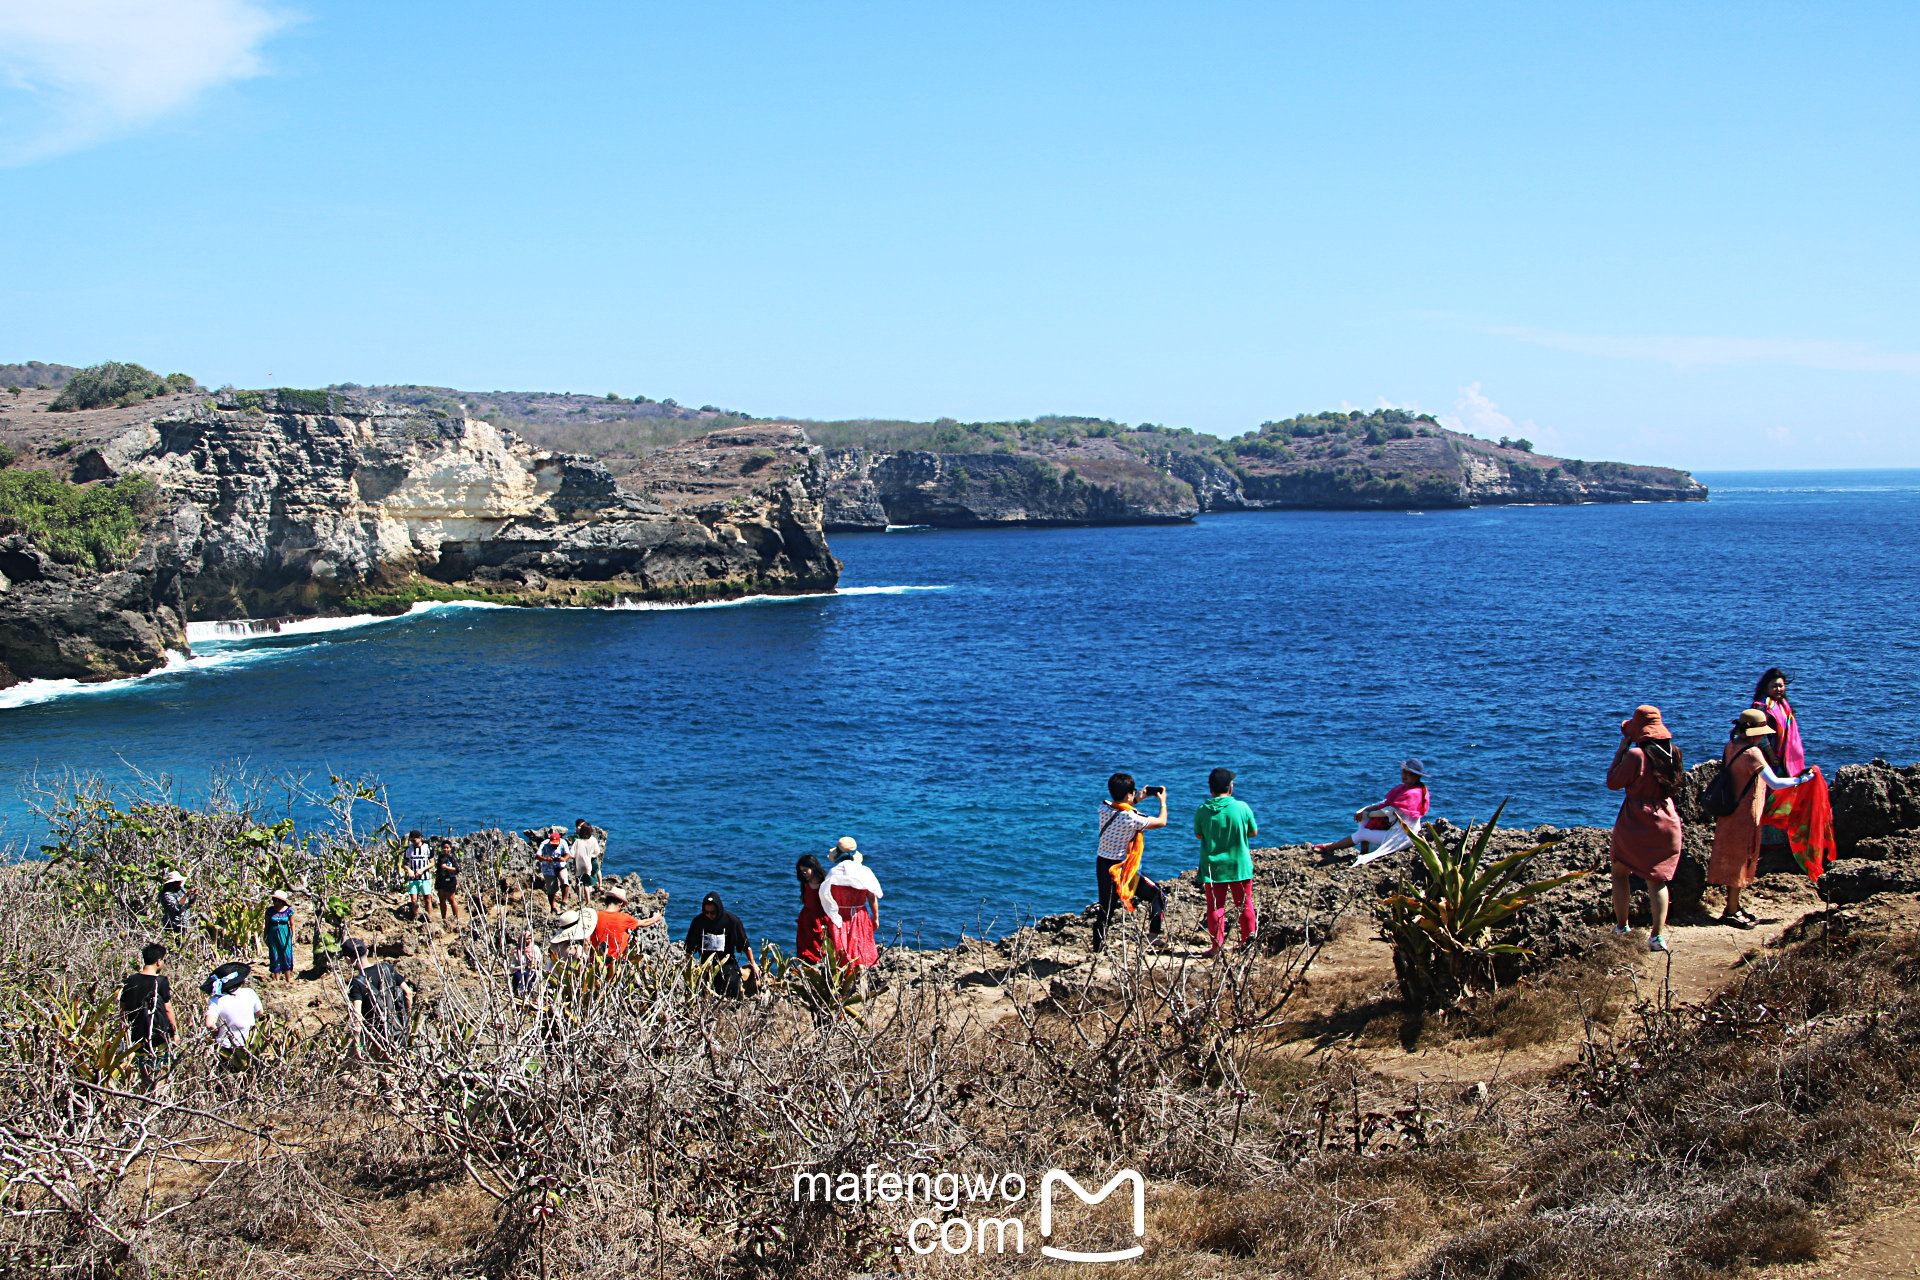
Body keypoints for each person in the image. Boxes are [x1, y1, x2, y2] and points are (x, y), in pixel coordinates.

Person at [1708, 708, 1816, 929]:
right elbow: (1775, 783)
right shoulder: (1753, 754)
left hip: (1730, 810)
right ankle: (1731, 910)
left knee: (1734, 857)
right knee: (1741, 859)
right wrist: (1801, 780)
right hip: (1746, 813)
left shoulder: (1731, 746)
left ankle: (1734, 906)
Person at [1607, 706, 1686, 952]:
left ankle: (1622, 927)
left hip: (1636, 820)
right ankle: (1657, 936)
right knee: (1658, 880)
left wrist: (1621, 751)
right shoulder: (1674, 753)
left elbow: (1613, 782)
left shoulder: (1636, 756)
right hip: (1667, 820)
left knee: (1620, 871)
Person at [1093, 773, 1169, 953]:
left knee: (1106, 910)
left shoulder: (1104, 808)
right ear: (1128, 795)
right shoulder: (1131, 817)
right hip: (1122, 869)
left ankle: (1097, 950)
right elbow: (1161, 822)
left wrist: (1137, 799)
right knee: (1158, 895)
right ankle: (1153, 936)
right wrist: (1163, 802)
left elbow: (1121, 808)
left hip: (1103, 864)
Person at [1312, 760, 1433, 864]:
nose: (1405, 775)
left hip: (1402, 836)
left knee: (1362, 834)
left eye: (1409, 773)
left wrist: (1367, 814)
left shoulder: (1414, 793)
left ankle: (1330, 847)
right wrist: (1366, 809)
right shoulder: (1404, 788)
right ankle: (1364, 850)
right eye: (1404, 771)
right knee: (1364, 822)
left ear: (1417, 777)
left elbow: (1389, 811)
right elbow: (1385, 803)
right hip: (1395, 829)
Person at [1194, 767, 1259, 958]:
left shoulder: (1203, 810)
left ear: (1211, 789)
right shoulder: (1242, 807)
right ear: (1231, 788)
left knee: (1215, 907)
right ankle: (1248, 942)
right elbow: (1253, 832)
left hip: (1213, 867)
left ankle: (1217, 947)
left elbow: (1199, 835)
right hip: (1239, 865)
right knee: (1245, 904)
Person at [341, 938, 413, 1057]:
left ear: (348, 959)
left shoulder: (357, 983)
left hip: (378, 1039)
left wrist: (357, 1045)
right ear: (367, 952)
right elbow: (408, 993)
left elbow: (357, 1016)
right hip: (400, 1031)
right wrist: (407, 1022)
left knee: (347, 1070)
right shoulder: (386, 968)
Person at [120, 942, 177, 1091]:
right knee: (161, 1070)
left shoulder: (130, 980)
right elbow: (168, 1008)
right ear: (159, 961)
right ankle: (158, 1098)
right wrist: (175, 1032)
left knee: (143, 1069)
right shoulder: (161, 981)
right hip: (159, 1034)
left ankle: (147, 1095)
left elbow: (123, 1008)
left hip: (137, 1034)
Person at [820, 838, 884, 968]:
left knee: (841, 952)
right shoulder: (865, 872)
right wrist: (876, 918)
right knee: (861, 950)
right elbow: (872, 897)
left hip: (839, 917)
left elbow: (826, 896)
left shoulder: (833, 873)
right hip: (860, 915)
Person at [684, 892, 759, 997]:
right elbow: (689, 947)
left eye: (713, 913)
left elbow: (745, 945)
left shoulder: (732, 921)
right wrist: (687, 969)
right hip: (706, 966)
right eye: (706, 912)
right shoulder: (698, 922)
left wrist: (753, 963)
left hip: (727, 965)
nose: (709, 915)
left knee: (732, 985)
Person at [203, 963, 264, 1070]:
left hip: (226, 1048)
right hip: (250, 1045)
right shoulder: (249, 993)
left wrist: (216, 1031)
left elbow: (209, 1024)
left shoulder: (216, 1000)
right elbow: (260, 1013)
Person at [1751, 668, 1806, 776]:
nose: (1778, 689)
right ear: (1766, 688)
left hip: (1783, 756)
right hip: (1768, 756)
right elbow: (1760, 733)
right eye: (1774, 686)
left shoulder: (1784, 705)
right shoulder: (1763, 706)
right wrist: (1771, 756)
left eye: (1781, 686)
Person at [589, 886, 663, 961]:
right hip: (617, 964)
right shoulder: (624, 918)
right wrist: (655, 918)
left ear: (607, 901)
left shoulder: (596, 916)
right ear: (620, 903)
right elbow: (643, 923)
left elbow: (587, 941)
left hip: (596, 964)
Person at [794, 855, 832, 963]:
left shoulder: (824, 883)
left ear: (813, 867)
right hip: (807, 919)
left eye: (805, 870)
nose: (803, 874)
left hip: (820, 920)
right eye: (801, 871)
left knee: (819, 947)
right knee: (806, 947)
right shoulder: (805, 883)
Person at [398, 831, 434, 922]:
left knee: (427, 898)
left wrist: (422, 870)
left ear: (420, 838)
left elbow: (432, 863)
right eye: (412, 841)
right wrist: (409, 870)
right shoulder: (409, 850)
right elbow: (404, 864)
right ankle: (415, 916)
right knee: (414, 899)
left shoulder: (427, 848)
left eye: (415, 840)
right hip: (413, 878)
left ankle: (429, 917)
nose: (414, 842)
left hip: (425, 878)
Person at [532, 828, 570, 912]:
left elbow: (568, 854)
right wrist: (546, 859)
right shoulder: (544, 844)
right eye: (553, 844)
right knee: (551, 889)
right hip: (548, 868)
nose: (555, 846)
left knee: (565, 881)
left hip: (560, 866)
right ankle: (553, 907)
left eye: (556, 844)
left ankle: (564, 902)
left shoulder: (563, 843)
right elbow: (537, 855)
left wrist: (563, 859)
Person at [571, 819, 607, 902]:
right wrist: (590, 856)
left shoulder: (577, 841)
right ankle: (588, 901)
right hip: (589, 863)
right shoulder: (593, 839)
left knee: (580, 883)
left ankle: (581, 900)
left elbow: (572, 854)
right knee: (587, 884)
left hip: (579, 864)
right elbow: (597, 851)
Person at [264, 889, 296, 981]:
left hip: (285, 934)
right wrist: (265, 936)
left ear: (281, 901)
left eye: (275, 900)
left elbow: (292, 924)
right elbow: (267, 924)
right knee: (274, 954)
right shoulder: (270, 911)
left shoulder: (289, 910)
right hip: (273, 934)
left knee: (286, 954)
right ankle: (276, 979)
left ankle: (288, 978)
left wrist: (293, 936)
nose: (273, 902)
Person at [434, 839, 462, 925]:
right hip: (441, 880)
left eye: (447, 848)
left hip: (450, 881)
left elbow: (457, 870)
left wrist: (446, 867)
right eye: (444, 848)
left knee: (451, 899)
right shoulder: (440, 857)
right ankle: (444, 919)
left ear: (450, 848)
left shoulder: (452, 857)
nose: (445, 850)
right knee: (442, 900)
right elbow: (438, 869)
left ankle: (456, 918)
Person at [508, 929, 539, 997]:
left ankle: (530, 994)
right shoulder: (517, 951)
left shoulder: (534, 949)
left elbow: (538, 962)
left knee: (527, 975)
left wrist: (532, 965)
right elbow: (512, 965)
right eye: (526, 939)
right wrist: (522, 967)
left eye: (529, 939)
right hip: (519, 970)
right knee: (518, 976)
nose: (528, 941)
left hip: (532, 971)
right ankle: (520, 995)